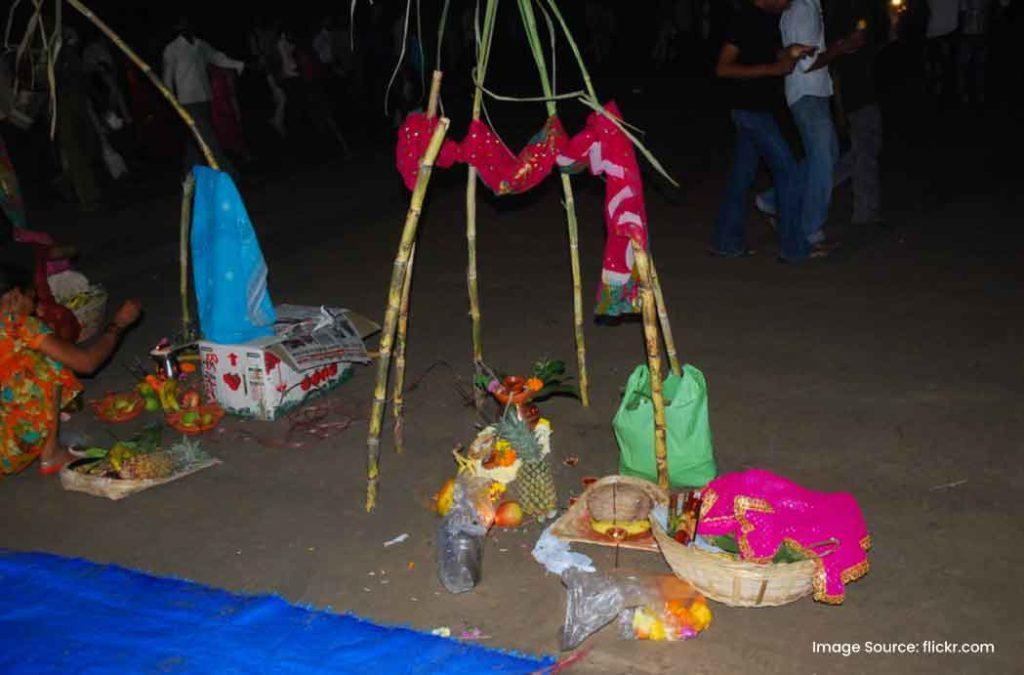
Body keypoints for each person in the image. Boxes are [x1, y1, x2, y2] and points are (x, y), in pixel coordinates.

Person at [0, 257, 141, 475]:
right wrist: (118, 324)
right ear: (15, 295)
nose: (35, 308)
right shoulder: (20, 325)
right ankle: (51, 453)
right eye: (31, 298)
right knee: (49, 359)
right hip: (6, 454)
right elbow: (86, 362)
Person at [710, 0, 815, 262]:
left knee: (741, 177)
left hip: (759, 109)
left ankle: (726, 241)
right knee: (788, 173)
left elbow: (769, 58)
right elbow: (723, 67)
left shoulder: (769, 21)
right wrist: (772, 68)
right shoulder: (745, 18)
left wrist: (788, 53)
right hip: (749, 110)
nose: (790, 4)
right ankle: (794, 249)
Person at [828, 0, 891, 228]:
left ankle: (810, 188)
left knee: (860, 153)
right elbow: (838, 63)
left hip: (863, 93)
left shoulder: (859, 12)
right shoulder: (851, 12)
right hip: (858, 95)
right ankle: (865, 210)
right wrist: (840, 107)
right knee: (864, 153)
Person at [162, 17, 244, 176]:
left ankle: (189, 176)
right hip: (187, 102)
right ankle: (228, 173)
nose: (185, 25)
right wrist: (172, 103)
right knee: (209, 138)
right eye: (181, 23)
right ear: (176, 27)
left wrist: (237, 64)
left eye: (187, 22)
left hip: (205, 98)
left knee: (196, 140)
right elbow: (167, 78)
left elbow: (217, 57)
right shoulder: (172, 49)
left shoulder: (200, 45)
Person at [957, 0, 992, 104]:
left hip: (968, 34)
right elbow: (988, 13)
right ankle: (979, 93)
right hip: (979, 34)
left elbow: (962, 14)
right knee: (979, 66)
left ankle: (966, 94)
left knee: (964, 66)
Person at [924, 0, 959, 97]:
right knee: (946, 65)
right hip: (949, 30)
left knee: (935, 65)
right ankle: (946, 93)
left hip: (934, 32)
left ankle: (938, 92)